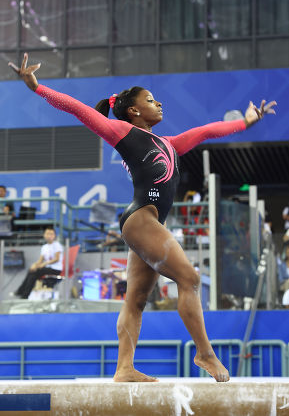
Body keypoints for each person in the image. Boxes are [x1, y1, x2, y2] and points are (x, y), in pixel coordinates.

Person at [9, 53, 276, 382]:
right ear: (134, 110)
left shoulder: (170, 143)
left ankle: (124, 368)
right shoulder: (122, 133)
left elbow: (207, 130)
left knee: (136, 299)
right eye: (151, 100)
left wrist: (244, 123)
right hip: (142, 219)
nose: (159, 103)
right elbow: (77, 108)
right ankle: (205, 354)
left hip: (147, 224)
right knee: (189, 279)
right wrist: (37, 88)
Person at [13, 227, 63, 299]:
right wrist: (34, 265)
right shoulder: (44, 247)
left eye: (51, 234)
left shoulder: (57, 245)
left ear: (54, 235)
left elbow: (57, 259)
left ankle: (23, 293)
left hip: (56, 269)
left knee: (35, 272)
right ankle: (23, 293)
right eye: (47, 233)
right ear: (44, 235)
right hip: (46, 268)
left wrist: (45, 264)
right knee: (32, 270)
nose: (49, 236)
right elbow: (40, 260)